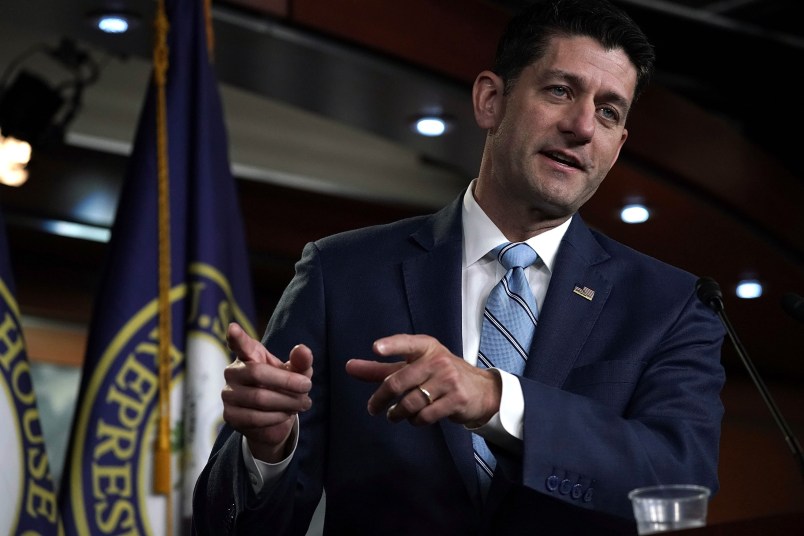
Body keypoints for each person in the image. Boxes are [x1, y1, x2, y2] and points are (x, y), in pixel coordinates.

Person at [192, 0, 726, 534]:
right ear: (491, 100)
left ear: (616, 148)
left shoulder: (672, 305)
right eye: (560, 90)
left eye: (609, 111)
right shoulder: (341, 273)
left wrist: (495, 399)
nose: (583, 126)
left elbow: (682, 482)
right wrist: (268, 449)